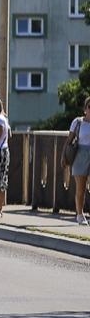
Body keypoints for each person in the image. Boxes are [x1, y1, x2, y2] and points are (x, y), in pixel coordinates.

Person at [68, 96, 90, 225]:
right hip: (80, 155)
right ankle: (80, 214)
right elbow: (69, 140)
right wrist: (64, 157)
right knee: (81, 188)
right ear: (85, 109)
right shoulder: (78, 122)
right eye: (89, 107)